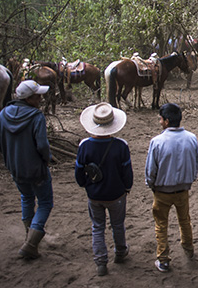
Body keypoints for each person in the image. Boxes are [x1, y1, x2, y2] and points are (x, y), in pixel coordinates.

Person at [0, 80, 52, 260]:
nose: (41, 98)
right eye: (37, 96)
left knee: (26, 198)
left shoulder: (3, 115)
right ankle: (31, 243)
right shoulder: (36, 117)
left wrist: (11, 159)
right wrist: (46, 159)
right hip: (36, 169)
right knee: (45, 202)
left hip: (16, 168)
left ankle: (29, 236)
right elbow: (42, 145)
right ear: (29, 98)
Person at [76, 103, 133, 276]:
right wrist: (126, 188)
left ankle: (101, 262)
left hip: (94, 194)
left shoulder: (84, 145)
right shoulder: (121, 146)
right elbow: (127, 173)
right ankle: (120, 252)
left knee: (97, 227)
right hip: (116, 194)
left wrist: (86, 185)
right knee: (117, 224)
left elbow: (79, 172)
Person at [145, 103, 198, 273]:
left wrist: (151, 184)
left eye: (161, 119)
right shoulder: (191, 138)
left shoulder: (157, 141)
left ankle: (163, 259)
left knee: (161, 224)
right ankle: (189, 248)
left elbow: (150, 170)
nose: (160, 122)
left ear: (167, 121)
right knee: (185, 220)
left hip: (162, 191)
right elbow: (196, 163)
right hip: (183, 190)